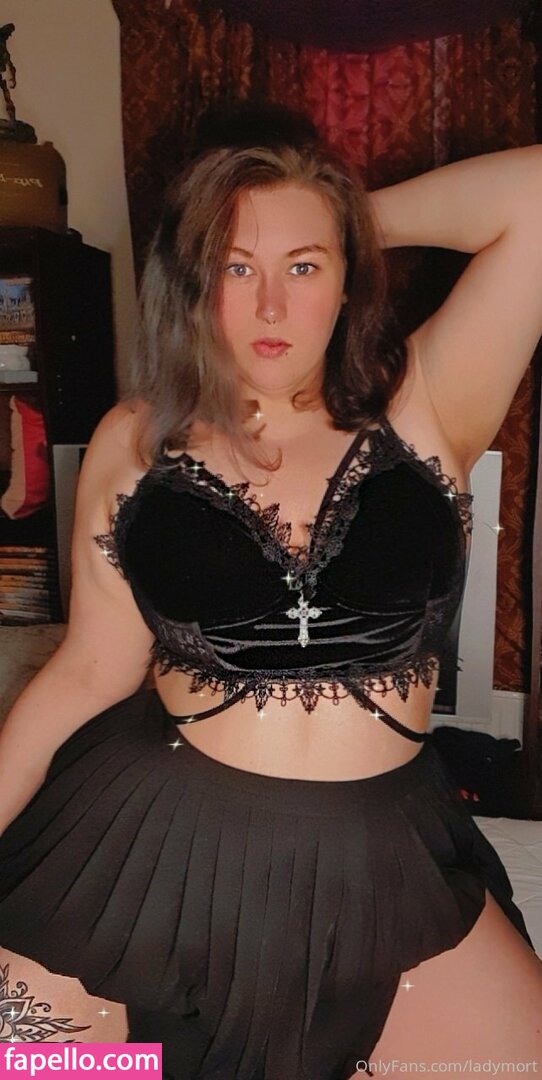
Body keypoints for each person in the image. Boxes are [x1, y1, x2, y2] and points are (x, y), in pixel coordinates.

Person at [0, 107, 542, 1079]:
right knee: (38, 1065)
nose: (271, 306)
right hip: (156, 840)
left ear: (347, 276)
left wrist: (340, 216)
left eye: (303, 266)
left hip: (381, 857)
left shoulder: (426, 405)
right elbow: (88, 670)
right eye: (235, 266)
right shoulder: (138, 440)